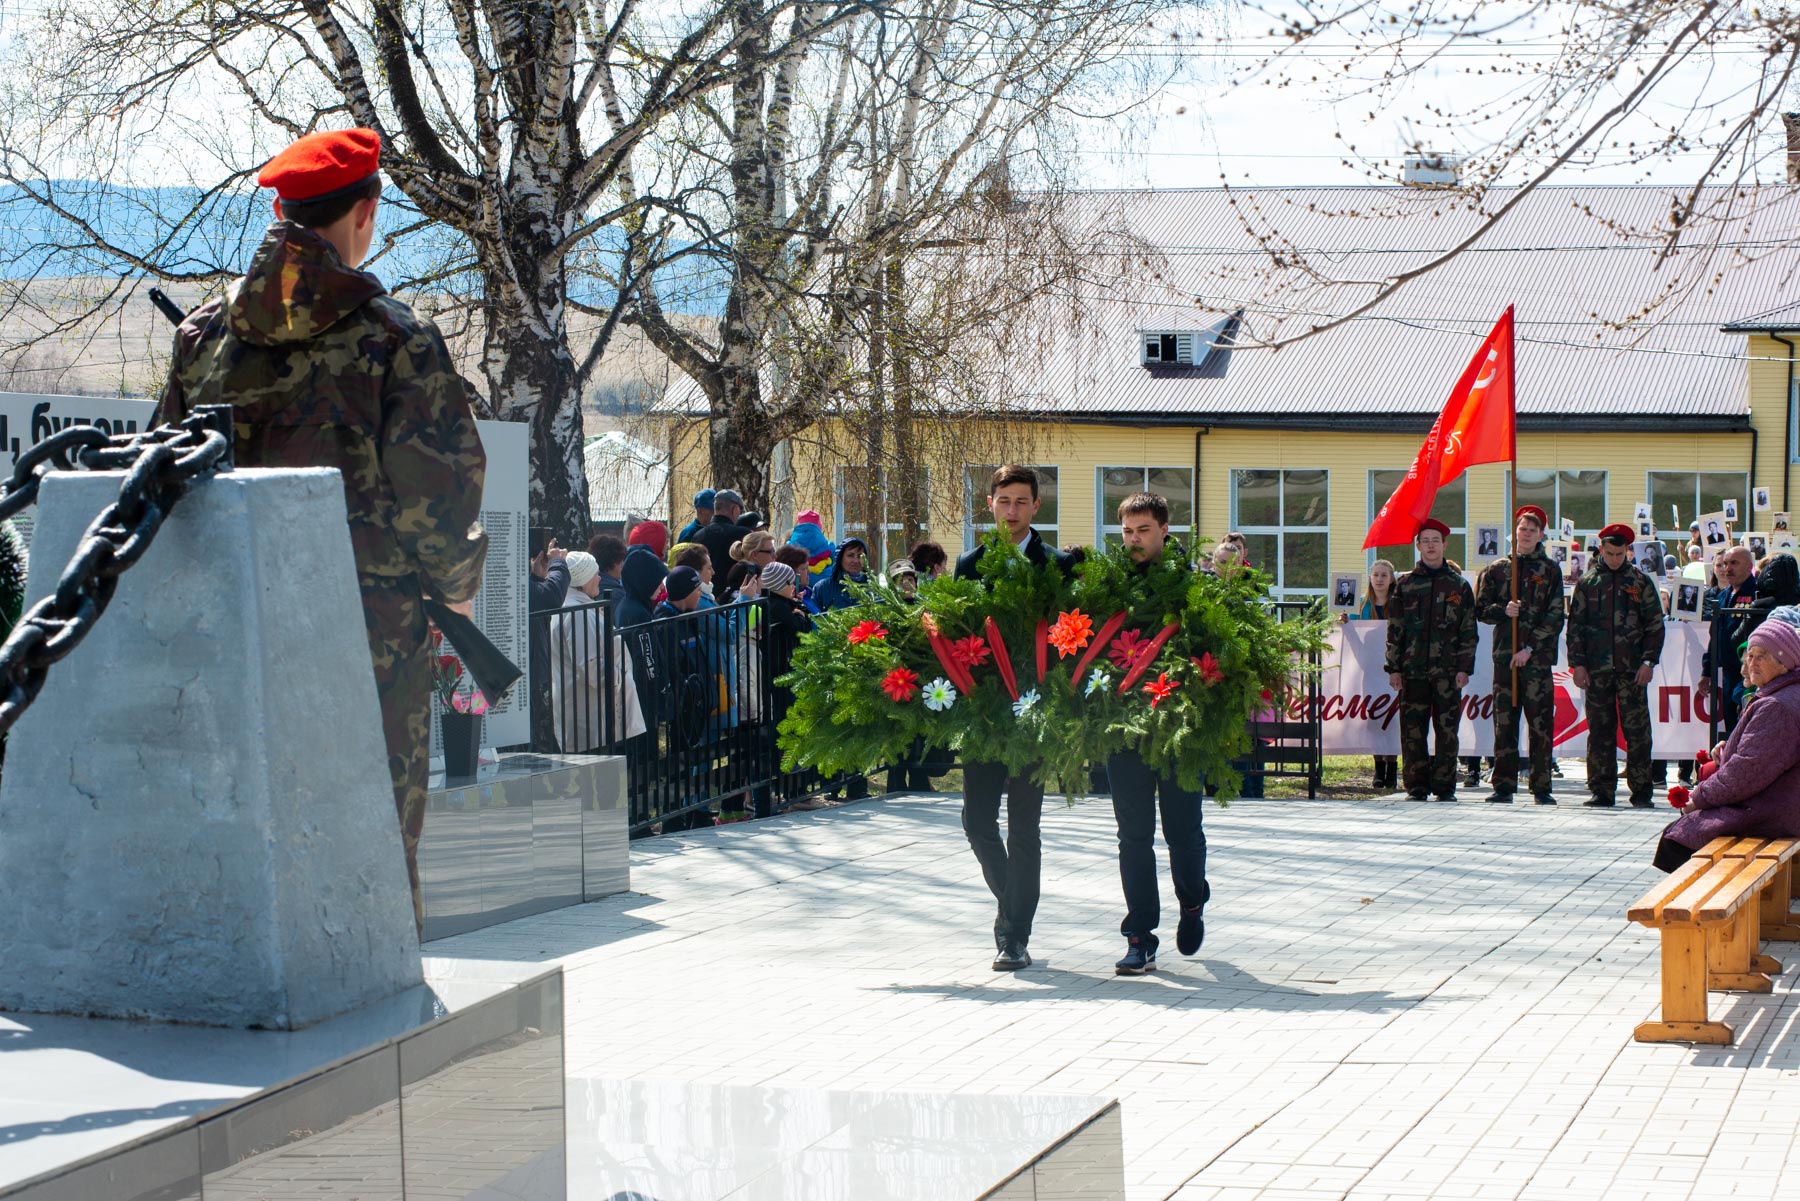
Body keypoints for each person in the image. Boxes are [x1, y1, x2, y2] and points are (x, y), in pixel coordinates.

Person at [156, 127, 487, 936]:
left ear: (282, 210)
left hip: (229, 631)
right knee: (372, 831)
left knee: (238, 825)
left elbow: (160, 489)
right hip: (368, 638)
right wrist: (459, 597)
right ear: (365, 212)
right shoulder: (395, 339)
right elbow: (436, 510)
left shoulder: (203, 337)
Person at [954, 465, 1074, 972]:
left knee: (1024, 826)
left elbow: (1072, 635)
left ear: (1036, 507)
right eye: (1003, 500)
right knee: (977, 820)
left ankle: (1013, 935)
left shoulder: (1058, 565)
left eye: (1021, 501)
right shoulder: (969, 564)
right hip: (984, 713)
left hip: (1036, 713)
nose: (1011, 510)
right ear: (989, 504)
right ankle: (1014, 906)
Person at [1107, 492, 1208, 976]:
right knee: (1133, 836)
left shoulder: (1194, 584)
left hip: (1180, 730)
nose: (1133, 540)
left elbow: (1216, 649)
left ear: (1165, 530)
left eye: (1143, 530)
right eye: (1126, 532)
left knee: (1182, 833)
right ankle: (1140, 935)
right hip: (1124, 730)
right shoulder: (1110, 586)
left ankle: (1192, 902)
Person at [1657, 616, 1800, 870]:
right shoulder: (1782, 693)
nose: (1751, 664)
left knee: (1676, 841)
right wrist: (1728, 751)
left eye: (1762, 656)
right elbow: (1761, 759)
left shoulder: (1777, 705)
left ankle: (1698, 908)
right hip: (1776, 803)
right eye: (1750, 655)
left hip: (1772, 810)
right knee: (1680, 835)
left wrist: (1699, 797)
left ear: (1784, 661)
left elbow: (1746, 773)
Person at [1567, 523, 1664, 808]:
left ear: (1627, 551)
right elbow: (1576, 628)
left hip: (1632, 671)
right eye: (1609, 553)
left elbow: (1655, 626)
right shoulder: (1587, 583)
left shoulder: (1639, 582)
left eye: (1619, 554)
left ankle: (1642, 791)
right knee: (1599, 731)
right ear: (1601, 550)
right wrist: (1578, 665)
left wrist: (1648, 661)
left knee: (1638, 732)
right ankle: (1601, 790)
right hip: (1596, 672)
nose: (1614, 559)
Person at [1475, 505, 1566, 805]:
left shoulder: (1550, 570)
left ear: (1540, 535)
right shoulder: (1498, 569)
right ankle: (1503, 784)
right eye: (1521, 530)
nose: (1526, 535)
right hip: (1504, 660)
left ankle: (1541, 787)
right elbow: (1480, 609)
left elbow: (1555, 618)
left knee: (1540, 725)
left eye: (1531, 530)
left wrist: (1529, 649)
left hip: (1536, 661)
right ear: (1514, 534)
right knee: (1504, 723)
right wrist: (1504, 610)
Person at [1384, 520, 1477, 802]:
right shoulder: (1406, 584)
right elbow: (1395, 630)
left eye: (1436, 540)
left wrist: (1464, 668)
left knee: (1447, 732)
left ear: (1445, 544)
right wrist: (1394, 667)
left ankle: (1445, 787)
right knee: (1413, 732)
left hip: (1448, 672)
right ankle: (1417, 787)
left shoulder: (1458, 586)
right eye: (1425, 540)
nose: (1431, 545)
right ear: (1418, 545)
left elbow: (1468, 630)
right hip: (1412, 672)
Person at [550, 551, 645, 754]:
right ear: (583, 580)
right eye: (595, 574)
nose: (599, 578)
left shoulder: (576, 608)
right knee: (599, 779)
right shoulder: (579, 614)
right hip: (594, 718)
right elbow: (594, 667)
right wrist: (621, 679)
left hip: (591, 715)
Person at [1347, 559, 1400, 792]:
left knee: (1393, 719)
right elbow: (1354, 634)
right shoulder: (1361, 605)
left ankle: (1392, 765)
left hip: (1394, 668)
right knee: (1374, 718)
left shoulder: (1399, 603)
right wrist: (1345, 623)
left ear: (1391, 579)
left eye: (1384, 575)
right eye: (1375, 575)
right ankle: (1378, 766)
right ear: (1370, 578)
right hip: (1370, 670)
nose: (1379, 579)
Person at [1701, 546, 1757, 738]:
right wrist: (1707, 671)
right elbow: (1714, 635)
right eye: (1725, 563)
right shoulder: (1723, 595)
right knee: (1732, 728)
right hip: (1728, 674)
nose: (1727, 568)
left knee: (1748, 728)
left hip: (1751, 674)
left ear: (1749, 566)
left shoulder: (1757, 594)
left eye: (1734, 563)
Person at [528, 537, 571, 753]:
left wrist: (536, 574)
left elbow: (535, 596)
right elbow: (550, 597)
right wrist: (557, 563)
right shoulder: (520, 584)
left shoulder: (527, 584)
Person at [695, 489, 751, 581]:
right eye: (739, 511)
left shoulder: (698, 535)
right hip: (736, 592)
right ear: (734, 509)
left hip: (706, 591)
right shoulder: (743, 534)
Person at [812, 537, 872, 610]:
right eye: (850, 555)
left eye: (860, 556)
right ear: (840, 558)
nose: (856, 561)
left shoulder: (873, 589)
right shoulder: (823, 588)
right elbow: (813, 618)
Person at [587, 533, 627, 609]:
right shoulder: (618, 596)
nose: (623, 564)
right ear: (613, 562)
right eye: (621, 560)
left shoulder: (586, 590)